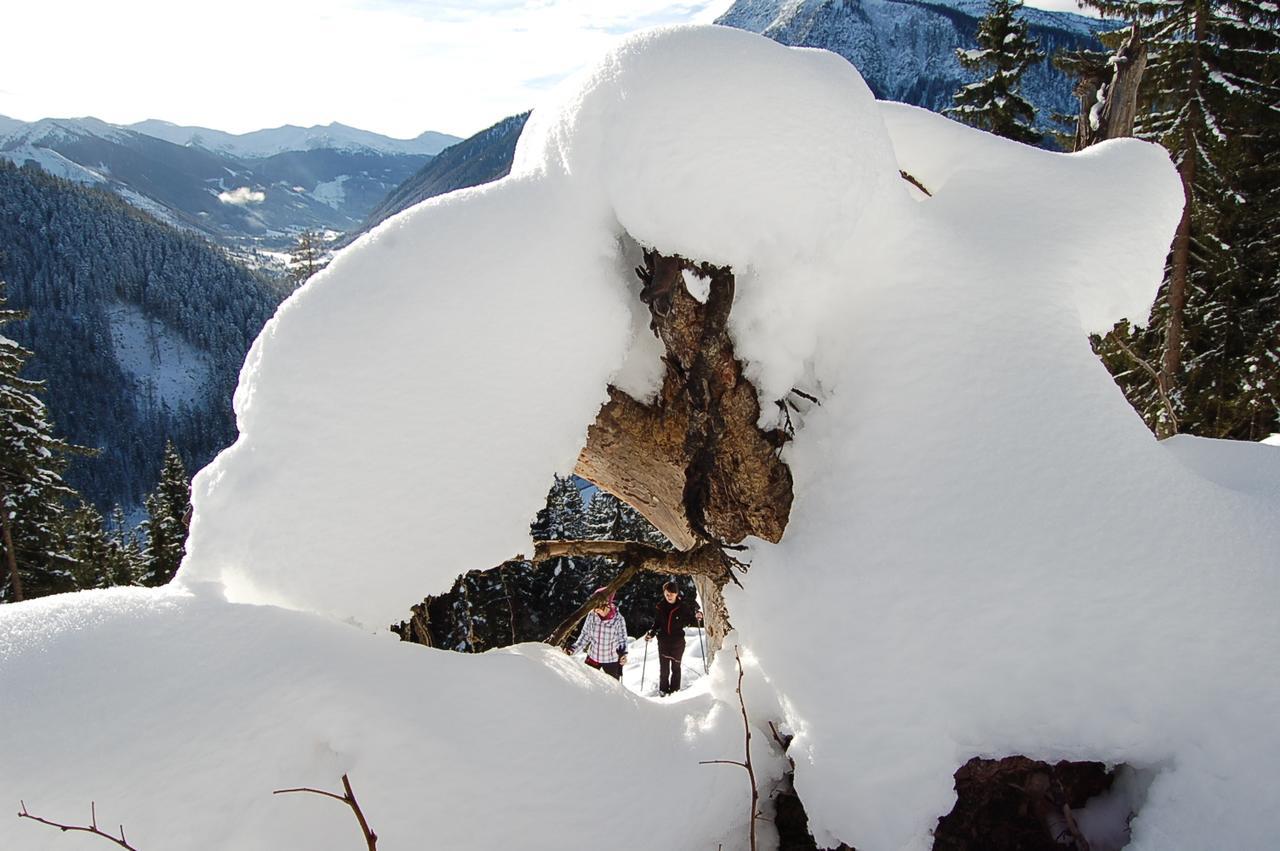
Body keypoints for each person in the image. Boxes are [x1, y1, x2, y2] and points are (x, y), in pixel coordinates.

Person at [645, 580, 702, 696]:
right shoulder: (660, 607)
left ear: (676, 593)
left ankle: (675, 692)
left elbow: (691, 620)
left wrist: (698, 617)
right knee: (664, 669)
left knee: (676, 668)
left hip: (678, 642)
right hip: (663, 641)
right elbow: (657, 623)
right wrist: (651, 632)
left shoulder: (682, 607)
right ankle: (663, 691)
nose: (669, 596)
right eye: (666, 594)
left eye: (671, 593)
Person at [566, 588, 629, 680]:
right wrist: (573, 649)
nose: (596, 611)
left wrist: (623, 654)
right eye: (594, 607)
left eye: (599, 607)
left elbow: (622, 639)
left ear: (608, 605)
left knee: (613, 688)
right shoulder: (592, 615)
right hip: (593, 657)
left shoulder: (618, 619)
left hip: (611, 660)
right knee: (586, 681)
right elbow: (585, 635)